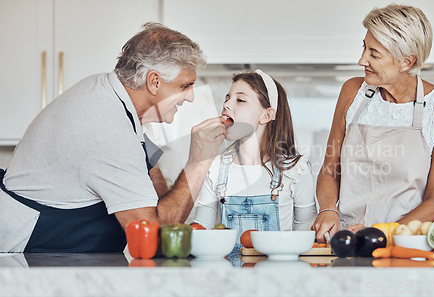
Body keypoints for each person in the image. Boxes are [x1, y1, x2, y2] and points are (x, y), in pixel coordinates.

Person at [0, 23, 227, 252]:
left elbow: (151, 180)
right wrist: (199, 159)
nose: (190, 97)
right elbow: (155, 238)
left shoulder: (108, 93)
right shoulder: (109, 131)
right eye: (184, 86)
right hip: (27, 255)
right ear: (154, 81)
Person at [312, 4, 434, 243]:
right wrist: (327, 209)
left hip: (403, 245)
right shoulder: (353, 92)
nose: (361, 59)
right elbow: (330, 170)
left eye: (374, 54)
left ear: (406, 61)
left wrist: (380, 234)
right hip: (344, 242)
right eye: (364, 47)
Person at [194, 70, 317, 249]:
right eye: (227, 99)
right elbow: (200, 232)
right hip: (228, 275)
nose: (227, 104)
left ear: (266, 115)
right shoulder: (215, 168)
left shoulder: (295, 170)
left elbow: (306, 238)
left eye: (240, 100)